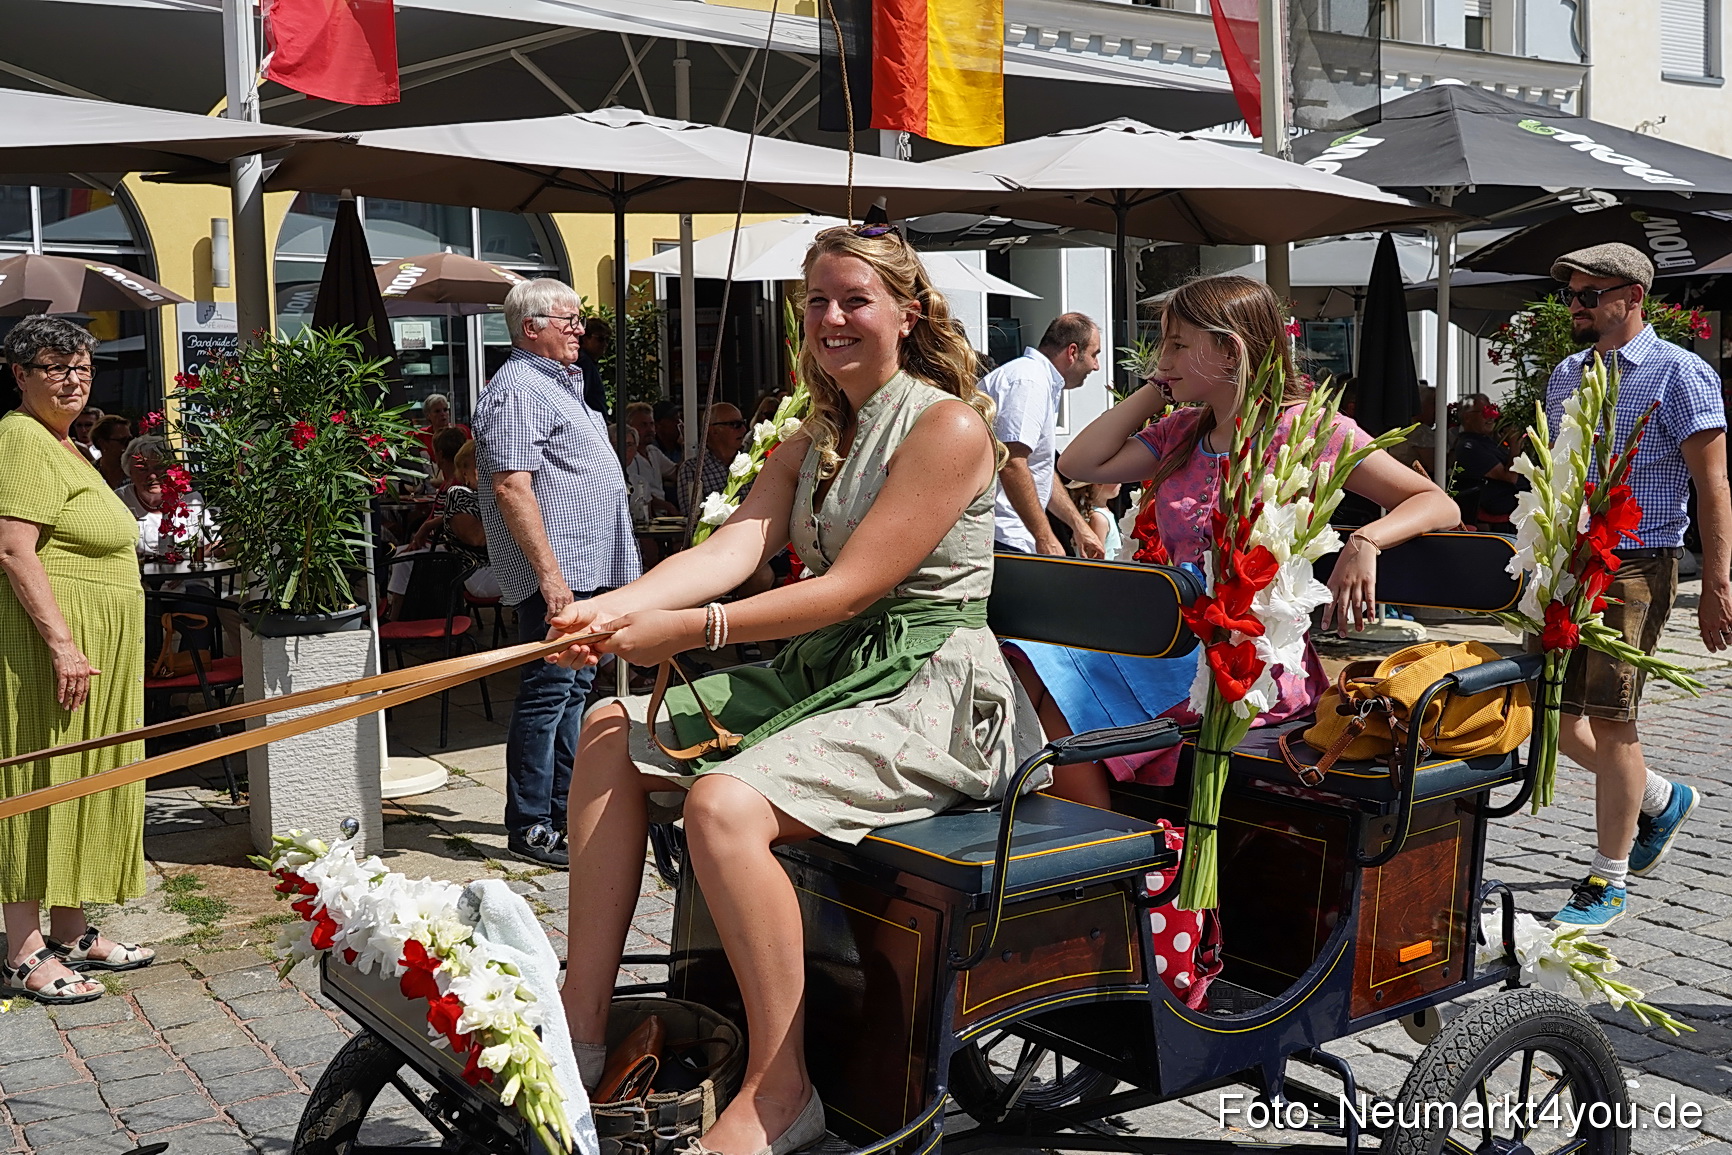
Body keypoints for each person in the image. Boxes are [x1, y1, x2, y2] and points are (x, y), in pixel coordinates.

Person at [547, 223, 1012, 1155]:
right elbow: (734, 546)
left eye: (855, 300)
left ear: (907, 313)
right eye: (817, 301)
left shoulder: (947, 426)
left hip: (928, 687)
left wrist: (691, 629)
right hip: (839, 668)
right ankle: (580, 1028)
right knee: (605, 727)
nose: (831, 318)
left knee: (722, 804)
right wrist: (610, 607)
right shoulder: (819, 427)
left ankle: (780, 1088)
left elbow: (850, 590)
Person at [1040, 274, 1459, 807]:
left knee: (1057, 690)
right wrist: (1158, 386)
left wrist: (1365, 541)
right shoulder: (1183, 431)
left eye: (1177, 345)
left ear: (1231, 350)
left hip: (1247, 659)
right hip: (1171, 644)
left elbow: (1438, 503)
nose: (1161, 359)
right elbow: (1079, 464)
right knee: (1039, 666)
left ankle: (1107, 850)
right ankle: (1106, 846)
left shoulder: (1308, 429)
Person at [1541, 243, 1729, 928]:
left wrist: (1718, 582)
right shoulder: (1568, 373)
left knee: (1613, 718)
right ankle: (1660, 798)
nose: (1576, 305)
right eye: (1571, 293)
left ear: (1633, 297)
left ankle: (1608, 878)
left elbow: (1713, 484)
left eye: (1589, 294)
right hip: (1569, 561)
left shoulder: (1682, 373)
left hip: (1639, 562)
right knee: (1556, 721)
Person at [1, 316, 154, 1006]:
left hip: (98, 643)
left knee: (86, 776)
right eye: (56, 367)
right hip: (54, 645)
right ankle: (22, 949)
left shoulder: (66, 444)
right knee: (44, 775)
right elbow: (13, 550)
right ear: (20, 375)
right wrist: (62, 643)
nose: (74, 380)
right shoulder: (20, 437)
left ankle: (69, 928)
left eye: (83, 368)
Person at [473, 278, 641, 867]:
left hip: (590, 564)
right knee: (548, 694)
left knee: (574, 690)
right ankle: (531, 825)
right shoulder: (518, 388)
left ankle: (564, 810)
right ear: (531, 328)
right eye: (568, 320)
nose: (579, 329)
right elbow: (511, 486)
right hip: (562, 570)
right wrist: (550, 577)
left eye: (578, 319)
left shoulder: (561, 383)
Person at [978, 313, 1105, 557]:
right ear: (1072, 352)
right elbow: (1012, 462)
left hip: (1008, 535)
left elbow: (1038, 470)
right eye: (1094, 354)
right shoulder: (1029, 381)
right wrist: (1044, 537)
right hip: (1001, 536)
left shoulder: (1035, 379)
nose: (1095, 366)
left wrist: (1079, 526)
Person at [116, 435, 216, 559]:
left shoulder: (191, 499)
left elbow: (216, 544)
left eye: (159, 467)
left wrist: (191, 560)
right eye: (143, 469)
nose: (152, 476)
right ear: (129, 472)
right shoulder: (119, 500)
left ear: (170, 469)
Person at [1451, 393, 1521, 530]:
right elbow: (1510, 477)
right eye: (1485, 412)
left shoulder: (1486, 440)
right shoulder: (1469, 446)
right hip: (1503, 509)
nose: (1491, 416)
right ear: (1467, 417)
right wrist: (1515, 446)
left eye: (1493, 410)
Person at [673, 402, 748, 518]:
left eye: (743, 423)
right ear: (713, 431)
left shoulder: (753, 463)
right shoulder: (693, 469)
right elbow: (693, 518)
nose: (743, 430)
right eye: (735, 425)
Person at [1065, 476, 1123, 560]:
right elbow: (1095, 559)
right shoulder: (1099, 518)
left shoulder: (1102, 513)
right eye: (1115, 479)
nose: (1120, 483)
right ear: (1099, 483)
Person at [626, 400, 676, 488]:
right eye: (644, 425)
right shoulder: (628, 457)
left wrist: (685, 445)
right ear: (630, 427)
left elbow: (677, 474)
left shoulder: (653, 451)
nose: (650, 429)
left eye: (651, 424)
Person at [577, 316, 612, 417]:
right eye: (600, 339)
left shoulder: (588, 362)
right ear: (585, 339)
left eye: (607, 340)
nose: (605, 344)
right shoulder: (583, 363)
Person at [90, 415, 133, 488]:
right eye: (123, 441)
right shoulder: (88, 472)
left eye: (130, 440)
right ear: (102, 443)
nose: (129, 445)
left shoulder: (137, 472)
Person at [652, 399, 686, 475]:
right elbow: (680, 473)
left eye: (679, 418)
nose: (679, 423)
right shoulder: (652, 451)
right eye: (673, 419)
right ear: (657, 425)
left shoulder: (680, 447)